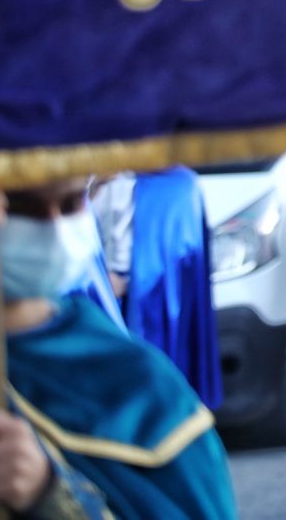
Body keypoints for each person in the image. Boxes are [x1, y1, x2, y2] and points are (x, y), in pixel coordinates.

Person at [0, 183, 236, 518]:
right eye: (22, 206)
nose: (54, 226)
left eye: (71, 204)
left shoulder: (140, 380)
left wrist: (48, 492)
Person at [89, 167, 222, 408]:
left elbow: (178, 267)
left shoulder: (179, 187)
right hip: (98, 312)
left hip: (148, 318)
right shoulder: (90, 181)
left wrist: (123, 283)